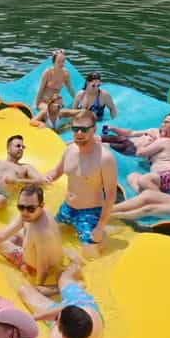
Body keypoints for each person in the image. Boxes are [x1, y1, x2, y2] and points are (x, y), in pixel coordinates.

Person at [44, 110, 118, 257]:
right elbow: (58, 171)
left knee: (91, 257)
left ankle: (103, 231)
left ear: (94, 129)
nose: (79, 133)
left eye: (84, 129)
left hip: (89, 213)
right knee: (43, 234)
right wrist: (49, 176)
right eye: (75, 128)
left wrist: (99, 226)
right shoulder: (70, 150)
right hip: (67, 209)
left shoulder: (105, 159)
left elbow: (110, 196)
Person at [0, 185, 64, 285]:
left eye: (30, 209)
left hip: (38, 268)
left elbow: (44, 268)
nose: (24, 212)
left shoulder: (40, 232)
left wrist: (37, 287)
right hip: (51, 256)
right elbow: (3, 234)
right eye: (20, 207)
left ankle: (23, 265)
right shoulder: (40, 214)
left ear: (42, 205)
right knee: (12, 230)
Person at [18, 261, 104, 338]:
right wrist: (34, 318)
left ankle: (55, 288)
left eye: (56, 319)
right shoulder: (85, 316)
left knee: (23, 290)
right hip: (80, 301)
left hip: (75, 310)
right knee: (63, 277)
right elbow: (64, 310)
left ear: (62, 335)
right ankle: (74, 267)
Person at [125, 116, 170, 195]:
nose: (159, 133)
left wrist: (147, 143)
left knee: (143, 180)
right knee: (132, 176)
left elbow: (139, 153)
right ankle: (151, 196)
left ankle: (158, 199)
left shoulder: (164, 141)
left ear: (165, 133)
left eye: (160, 131)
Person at [103, 113, 170, 156]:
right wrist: (113, 129)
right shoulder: (153, 130)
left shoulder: (168, 142)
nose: (164, 124)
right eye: (164, 121)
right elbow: (131, 133)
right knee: (102, 138)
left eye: (167, 122)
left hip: (130, 148)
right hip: (125, 140)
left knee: (105, 145)